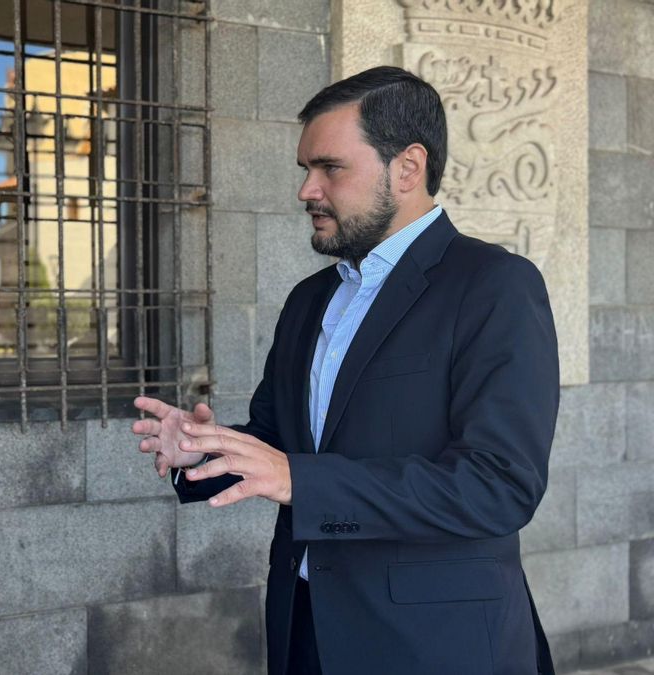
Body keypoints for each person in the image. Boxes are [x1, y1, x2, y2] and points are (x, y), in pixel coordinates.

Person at [132, 66, 558, 675]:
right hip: (304, 625)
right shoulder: (310, 299)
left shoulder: (494, 286)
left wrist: (301, 481)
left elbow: (498, 486)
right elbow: (280, 443)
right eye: (305, 170)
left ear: (407, 168)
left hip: (434, 644)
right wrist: (202, 449)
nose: (307, 190)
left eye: (329, 168)